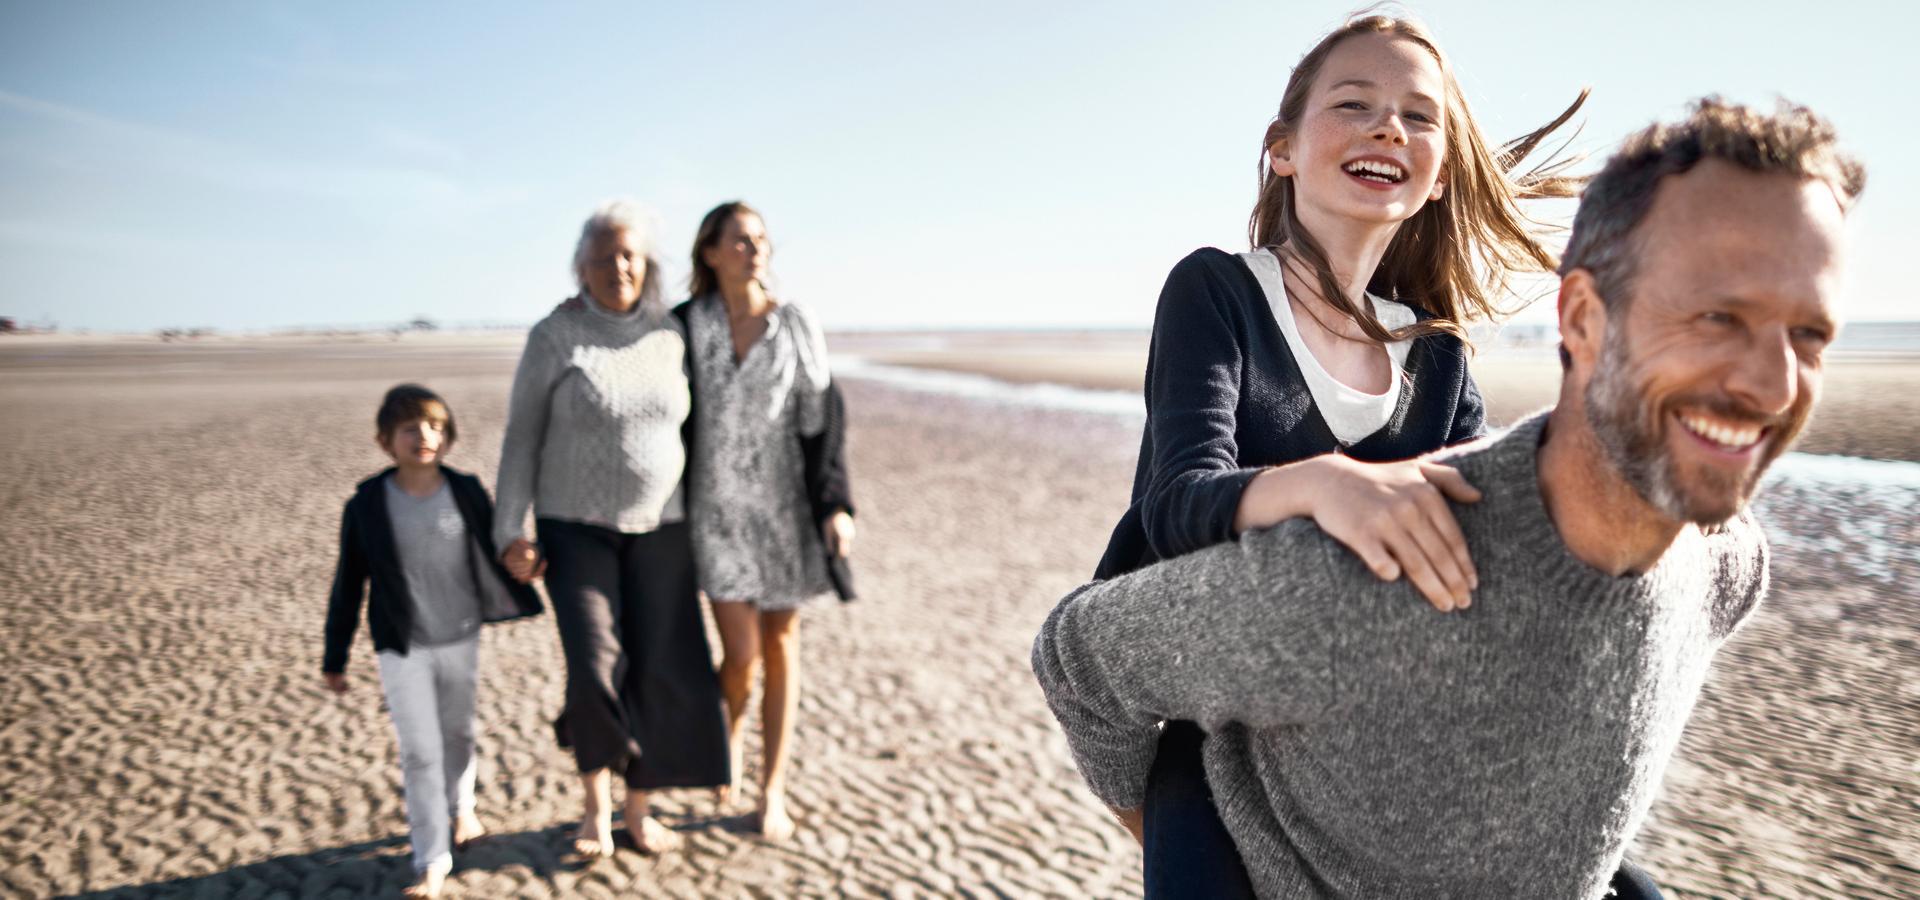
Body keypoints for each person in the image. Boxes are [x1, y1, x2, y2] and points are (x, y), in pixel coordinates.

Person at [1033, 97, 1861, 898]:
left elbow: (1481, 463)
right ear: (1581, 318)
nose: (1772, 382)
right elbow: (1102, 624)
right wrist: (1168, 841)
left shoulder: (1727, 565)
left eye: (1812, 334)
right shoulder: (1350, 574)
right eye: (1718, 315)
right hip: (1212, 650)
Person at [1091, 13, 1586, 893]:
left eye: (1418, 116)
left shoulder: (1438, 356)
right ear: (1283, 149)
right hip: (1217, 734)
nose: (1387, 126)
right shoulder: (1217, 290)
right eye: (1353, 103)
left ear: (1437, 178)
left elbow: (1487, 550)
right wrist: (1327, 486)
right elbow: (1172, 505)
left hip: (1381, 739)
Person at [494, 201, 729, 856]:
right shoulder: (554, 336)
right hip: (575, 528)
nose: (618, 267)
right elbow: (520, 441)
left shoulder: (669, 333)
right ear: (582, 267)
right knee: (596, 666)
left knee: (655, 668)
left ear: (646, 264)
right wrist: (510, 530)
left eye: (629, 255)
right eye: (604, 257)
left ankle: (636, 808)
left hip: (664, 529)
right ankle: (594, 805)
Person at [676, 201, 856, 842]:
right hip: (715, 512)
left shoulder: (795, 323)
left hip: (784, 512)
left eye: (759, 239)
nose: (753, 249)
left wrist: (836, 505)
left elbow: (824, 419)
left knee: (780, 647)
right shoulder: (686, 326)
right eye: (738, 239)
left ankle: (770, 788)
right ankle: (723, 740)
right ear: (711, 253)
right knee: (740, 655)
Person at [322, 384, 544, 898]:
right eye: (410, 428)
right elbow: (348, 582)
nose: (424, 436)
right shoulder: (367, 503)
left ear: (448, 438)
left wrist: (528, 561)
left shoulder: (464, 489)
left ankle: (462, 809)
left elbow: (499, 547)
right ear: (385, 441)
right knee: (421, 752)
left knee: (458, 734)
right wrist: (335, 656)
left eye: (436, 427)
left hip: (461, 637)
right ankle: (431, 860)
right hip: (402, 645)